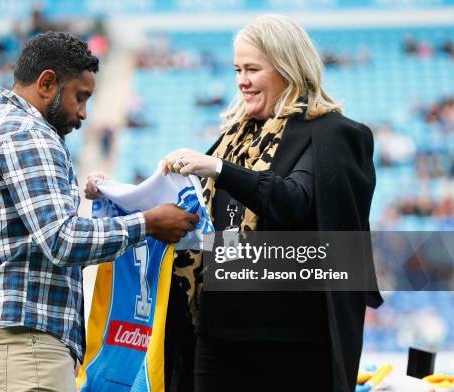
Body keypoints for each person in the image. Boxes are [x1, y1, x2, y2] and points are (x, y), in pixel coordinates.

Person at [0, 31, 198, 392]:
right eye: (80, 97)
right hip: (24, 342)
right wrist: (148, 223)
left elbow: (37, 239)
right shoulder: (29, 134)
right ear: (47, 83)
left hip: (10, 339)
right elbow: (62, 240)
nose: (84, 113)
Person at [160, 14, 382, 392]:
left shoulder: (332, 134)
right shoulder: (234, 137)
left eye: (252, 69)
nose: (241, 81)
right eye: (237, 69)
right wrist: (120, 197)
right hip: (215, 335)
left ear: (288, 69)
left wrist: (219, 168)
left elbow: (295, 201)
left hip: (293, 343)